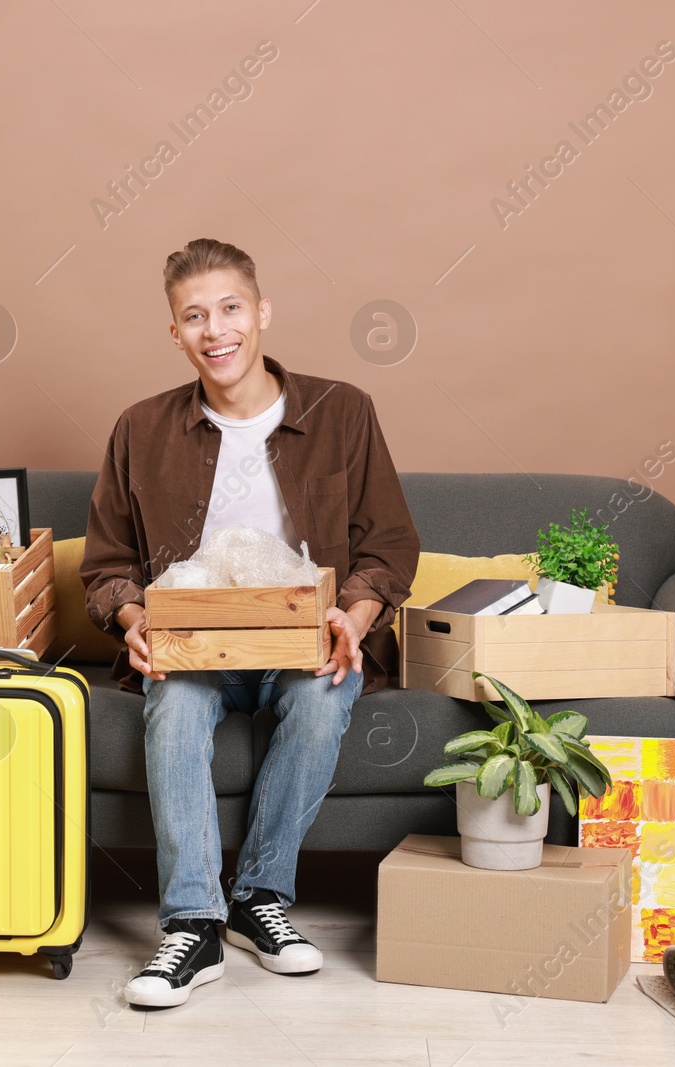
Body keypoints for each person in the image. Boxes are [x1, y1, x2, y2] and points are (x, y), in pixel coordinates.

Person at [81, 237, 420, 1008]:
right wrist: (134, 618)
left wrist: (354, 617)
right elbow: (105, 568)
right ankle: (194, 924)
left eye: (230, 308)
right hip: (194, 649)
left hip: (303, 643)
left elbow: (391, 543)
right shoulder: (140, 429)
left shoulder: (344, 413)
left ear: (261, 312)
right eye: (194, 316)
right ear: (175, 332)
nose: (216, 330)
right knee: (172, 702)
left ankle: (259, 898)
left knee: (327, 690)